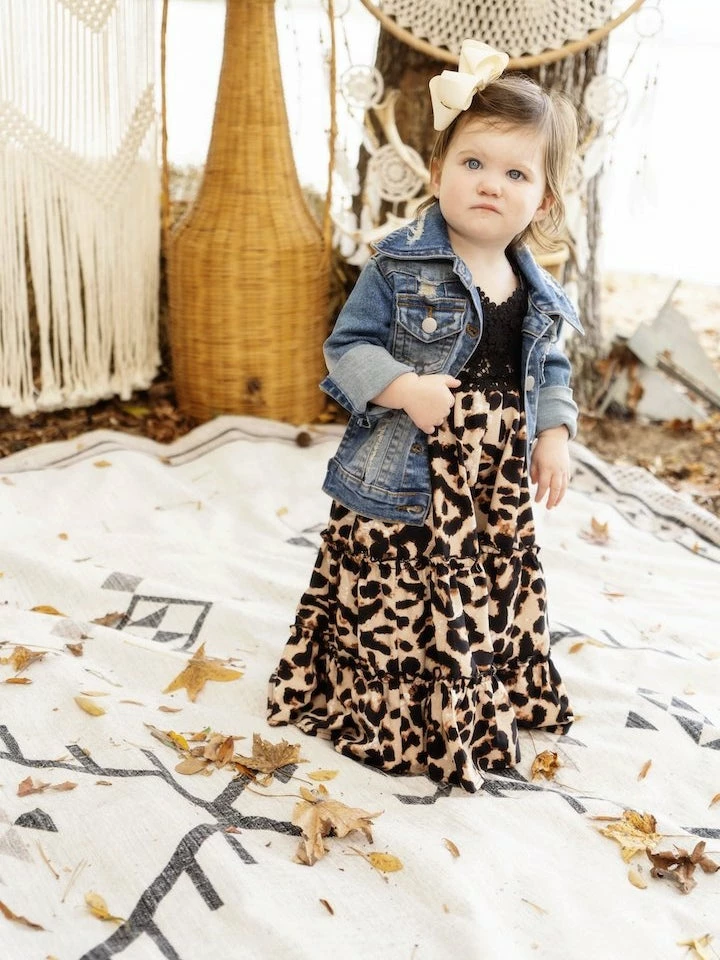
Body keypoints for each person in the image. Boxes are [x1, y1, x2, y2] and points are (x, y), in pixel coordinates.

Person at [267, 40, 584, 793]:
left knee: (483, 590)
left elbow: (549, 368)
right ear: (437, 173)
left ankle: (477, 694)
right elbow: (347, 348)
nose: (490, 184)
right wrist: (404, 387)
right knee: (405, 594)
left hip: (491, 487)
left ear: (542, 201)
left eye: (515, 174)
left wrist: (554, 432)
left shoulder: (535, 290)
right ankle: (391, 711)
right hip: (409, 476)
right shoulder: (398, 263)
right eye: (472, 163)